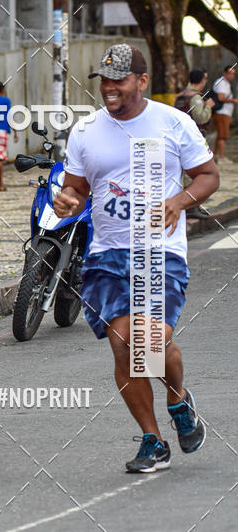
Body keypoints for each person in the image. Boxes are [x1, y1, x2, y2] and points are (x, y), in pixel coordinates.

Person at [54, 43, 219, 473]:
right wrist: (68, 201)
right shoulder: (86, 131)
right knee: (123, 345)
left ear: (142, 81)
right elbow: (76, 188)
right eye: (104, 80)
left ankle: (179, 400)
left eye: (118, 80)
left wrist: (178, 202)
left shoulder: (173, 122)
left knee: (149, 341)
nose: (109, 88)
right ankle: (153, 440)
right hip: (107, 253)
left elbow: (208, 176)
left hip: (160, 249)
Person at [174, 68, 214, 218]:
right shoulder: (195, 98)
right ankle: (192, 207)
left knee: (184, 174)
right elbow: (201, 118)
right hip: (194, 139)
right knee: (199, 173)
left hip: (179, 137)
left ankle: (188, 206)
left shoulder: (180, 95)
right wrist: (208, 106)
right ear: (202, 81)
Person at [211, 65, 238, 165]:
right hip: (221, 112)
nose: (232, 76)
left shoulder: (227, 84)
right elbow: (221, 97)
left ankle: (215, 155)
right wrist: (233, 101)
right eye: (230, 73)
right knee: (223, 136)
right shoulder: (221, 83)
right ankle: (222, 157)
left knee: (220, 135)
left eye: (233, 74)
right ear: (225, 73)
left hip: (225, 113)